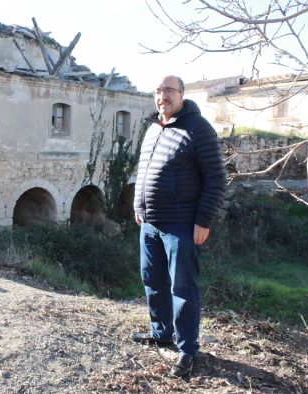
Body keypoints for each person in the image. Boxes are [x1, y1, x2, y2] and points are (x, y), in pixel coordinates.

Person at [132, 75, 226, 377]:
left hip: (182, 225)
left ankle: (187, 351)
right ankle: (160, 332)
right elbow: (144, 170)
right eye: (158, 91)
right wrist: (139, 206)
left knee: (183, 290)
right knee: (152, 279)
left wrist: (203, 220)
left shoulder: (198, 129)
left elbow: (216, 179)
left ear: (182, 95)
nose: (163, 96)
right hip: (150, 223)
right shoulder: (152, 128)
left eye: (169, 91)